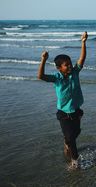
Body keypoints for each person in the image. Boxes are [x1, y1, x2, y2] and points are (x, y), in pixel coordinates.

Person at [37, 32, 88, 169]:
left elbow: (82, 59)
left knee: (76, 133)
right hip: (63, 113)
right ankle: (75, 162)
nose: (70, 66)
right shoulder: (57, 77)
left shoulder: (75, 72)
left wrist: (83, 42)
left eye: (70, 63)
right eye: (66, 65)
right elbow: (40, 76)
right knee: (71, 137)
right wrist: (43, 59)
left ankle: (66, 143)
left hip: (76, 110)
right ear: (59, 67)